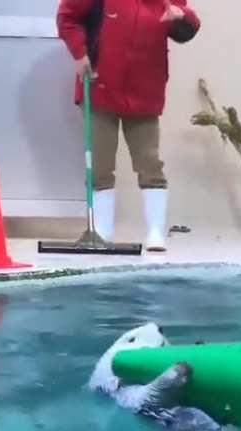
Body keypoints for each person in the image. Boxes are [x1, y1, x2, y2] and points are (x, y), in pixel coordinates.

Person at [57, 0, 200, 252]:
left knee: (149, 163)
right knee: (100, 165)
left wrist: (181, 17)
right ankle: (101, 231)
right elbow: (67, 17)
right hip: (99, 85)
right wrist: (79, 53)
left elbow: (186, 32)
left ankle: (156, 233)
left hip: (144, 90)